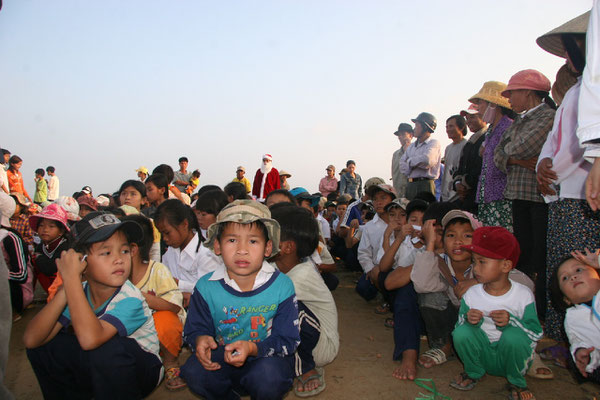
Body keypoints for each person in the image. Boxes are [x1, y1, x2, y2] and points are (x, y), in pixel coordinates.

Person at [24, 211, 163, 399]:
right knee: (46, 346)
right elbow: (32, 340)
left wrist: (72, 280)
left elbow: (91, 339)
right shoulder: (77, 289)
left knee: (105, 349)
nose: (119, 259)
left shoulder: (130, 298)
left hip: (142, 369)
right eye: (106, 252)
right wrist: (67, 286)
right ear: (82, 262)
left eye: (124, 251)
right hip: (102, 365)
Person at [180, 200, 300, 399]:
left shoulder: (282, 286)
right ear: (217, 246)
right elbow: (194, 329)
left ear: (268, 248)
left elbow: (288, 339)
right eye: (232, 240)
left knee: (270, 377)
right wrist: (200, 339)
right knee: (194, 371)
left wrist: (252, 348)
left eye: (253, 241)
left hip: (265, 359)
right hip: (222, 359)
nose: (242, 250)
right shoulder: (205, 287)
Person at [535, 9, 596, 344]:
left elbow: (582, 145)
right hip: (564, 192)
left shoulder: (592, 88)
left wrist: (552, 173)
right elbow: (553, 142)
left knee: (580, 268)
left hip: (581, 191)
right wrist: (543, 166)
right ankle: (566, 334)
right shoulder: (576, 91)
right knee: (562, 266)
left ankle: (584, 338)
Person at [451, 226, 542, 400]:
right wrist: (468, 319)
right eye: (474, 261)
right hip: (482, 356)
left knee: (513, 336)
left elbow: (535, 333)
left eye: (482, 262)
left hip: (511, 359)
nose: (475, 268)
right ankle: (474, 371)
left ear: (506, 265)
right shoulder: (472, 294)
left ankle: (516, 381)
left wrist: (512, 321)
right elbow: (458, 327)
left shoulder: (523, 295)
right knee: (462, 332)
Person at [494, 69, 557, 319]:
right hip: (519, 195)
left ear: (527, 92)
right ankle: (524, 307)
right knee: (522, 257)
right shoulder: (521, 121)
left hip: (539, 198)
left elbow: (518, 147)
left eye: (512, 93)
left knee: (538, 258)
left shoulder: (548, 117)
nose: (509, 99)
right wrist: (518, 161)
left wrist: (509, 156)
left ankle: (539, 311)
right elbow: (495, 153)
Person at [270, 205, 339, 397]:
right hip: (305, 335)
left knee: (286, 309)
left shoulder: (302, 274)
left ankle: (306, 368)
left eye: (269, 235)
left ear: (287, 247)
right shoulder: (275, 263)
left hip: (321, 346)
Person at [125, 214, 186, 391]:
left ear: (133, 249)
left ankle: (170, 363)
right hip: (129, 340)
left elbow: (175, 306)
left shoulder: (156, 270)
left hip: (158, 338)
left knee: (166, 318)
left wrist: (141, 297)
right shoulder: (112, 275)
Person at [156, 199, 220, 307]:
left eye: (167, 233)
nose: (165, 238)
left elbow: (211, 288)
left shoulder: (206, 254)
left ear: (184, 224)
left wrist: (178, 284)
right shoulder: (170, 252)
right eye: (162, 234)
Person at [470, 81, 514, 230]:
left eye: (480, 103)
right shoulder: (489, 131)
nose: (478, 108)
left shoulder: (508, 126)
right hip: (486, 196)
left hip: (502, 196)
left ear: (493, 104)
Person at [550, 255, 600, 383]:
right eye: (565, 278)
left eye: (579, 270)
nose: (573, 277)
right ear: (566, 299)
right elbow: (581, 342)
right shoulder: (573, 319)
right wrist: (583, 354)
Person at [356, 184, 396, 301]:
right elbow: (363, 252)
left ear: (393, 200)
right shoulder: (369, 227)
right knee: (363, 289)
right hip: (376, 268)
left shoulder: (401, 222)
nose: (378, 202)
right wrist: (370, 269)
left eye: (383, 198)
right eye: (375, 199)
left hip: (397, 267)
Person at [453, 104, 488, 213]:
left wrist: (465, 184)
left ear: (484, 117)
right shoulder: (469, 143)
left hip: (480, 198)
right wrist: (458, 184)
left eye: (472, 117)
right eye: (467, 118)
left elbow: (481, 168)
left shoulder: (487, 138)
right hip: (467, 198)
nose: (468, 121)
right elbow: (460, 168)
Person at [399, 112, 442, 200]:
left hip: (425, 185)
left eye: (417, 126)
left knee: (425, 211)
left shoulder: (433, 143)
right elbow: (402, 166)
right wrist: (416, 163)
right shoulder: (411, 146)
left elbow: (427, 160)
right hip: (411, 185)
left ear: (425, 127)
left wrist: (410, 162)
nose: (414, 129)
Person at [29, 204, 71, 292]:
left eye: (51, 226)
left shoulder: (66, 247)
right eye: (41, 225)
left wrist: (38, 257)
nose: (45, 229)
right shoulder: (41, 247)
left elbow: (50, 268)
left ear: (61, 231)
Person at [1, 193, 29, 322]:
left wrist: (2, 274)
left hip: (12, 291)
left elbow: (21, 274)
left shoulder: (11, 238)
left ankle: (13, 313)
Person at [441, 116, 467, 201]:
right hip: (446, 194)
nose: (448, 129)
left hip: (458, 194)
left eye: (451, 126)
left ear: (461, 127)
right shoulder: (448, 148)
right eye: (447, 127)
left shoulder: (466, 146)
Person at [391, 123, 414, 198]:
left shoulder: (416, 151)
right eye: (399, 135)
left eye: (403, 134)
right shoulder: (396, 154)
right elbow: (394, 175)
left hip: (411, 191)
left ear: (411, 135)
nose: (400, 137)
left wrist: (407, 150)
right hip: (398, 193)